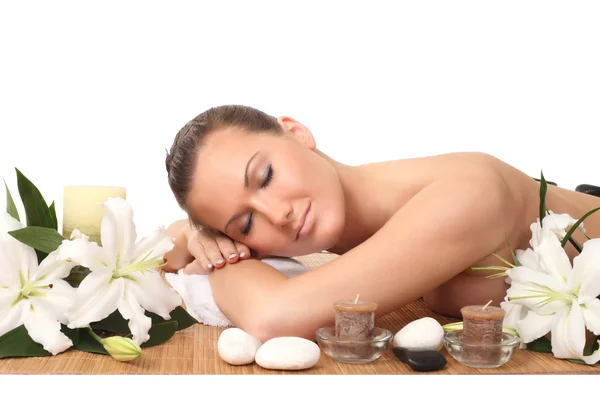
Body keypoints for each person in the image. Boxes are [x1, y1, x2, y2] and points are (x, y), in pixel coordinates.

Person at [162, 104, 600, 343]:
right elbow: (161, 248)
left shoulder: (464, 195)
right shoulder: (360, 222)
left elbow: (274, 316)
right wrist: (196, 232)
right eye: (244, 224)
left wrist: (219, 252)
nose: (278, 215)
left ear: (296, 133)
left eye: (266, 176)